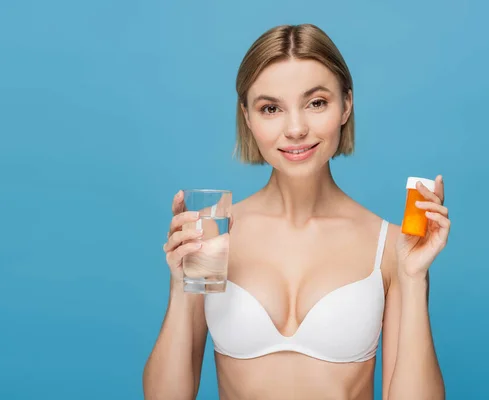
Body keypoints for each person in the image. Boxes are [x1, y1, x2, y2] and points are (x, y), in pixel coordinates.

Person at [143, 23, 450, 400]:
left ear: (346, 105)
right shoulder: (213, 232)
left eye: (316, 102)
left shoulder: (391, 246)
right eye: (271, 108)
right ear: (247, 117)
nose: (295, 128)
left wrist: (414, 279)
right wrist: (180, 285)